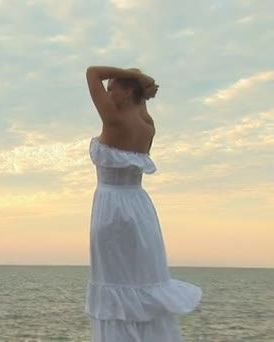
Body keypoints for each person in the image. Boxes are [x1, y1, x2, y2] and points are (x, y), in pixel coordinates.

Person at [84, 66, 202, 341]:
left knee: (115, 284)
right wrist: (138, 82)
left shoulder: (113, 119)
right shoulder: (148, 127)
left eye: (112, 87)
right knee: (142, 279)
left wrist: (133, 75)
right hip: (140, 209)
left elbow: (91, 72)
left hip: (111, 209)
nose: (108, 91)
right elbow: (139, 104)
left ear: (126, 93)